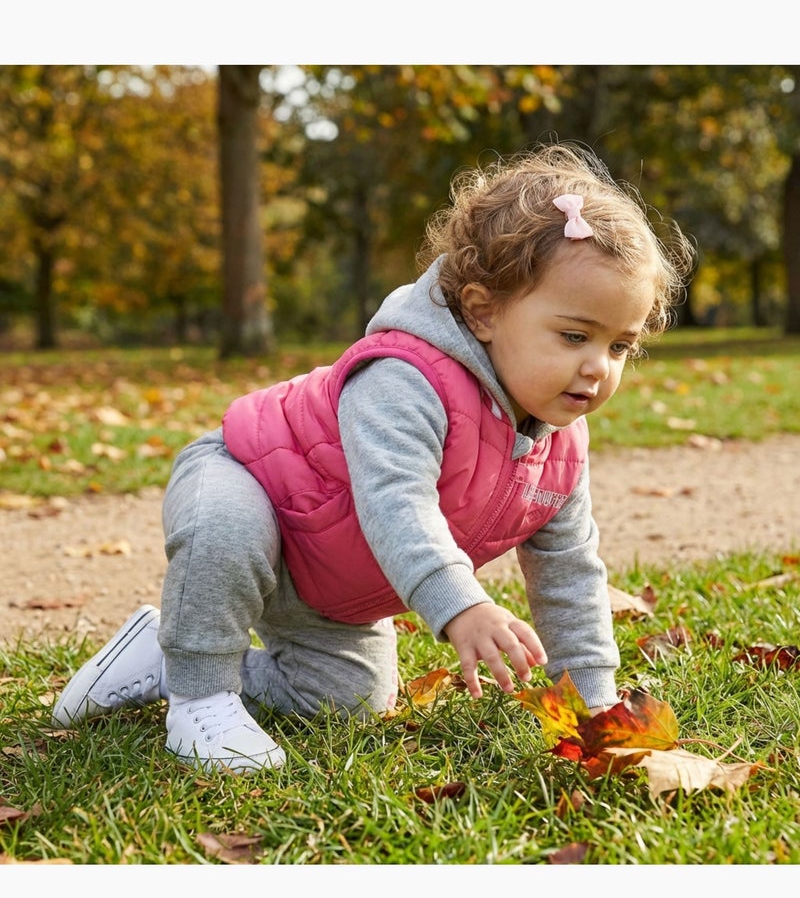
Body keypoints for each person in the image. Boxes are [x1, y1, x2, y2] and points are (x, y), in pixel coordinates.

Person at [52, 141, 694, 774]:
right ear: (484, 311)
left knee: (347, 700)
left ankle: (163, 655)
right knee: (228, 529)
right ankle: (200, 698)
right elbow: (396, 501)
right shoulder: (406, 377)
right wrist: (461, 604)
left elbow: (570, 572)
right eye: (575, 336)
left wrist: (595, 701)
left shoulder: (557, 448)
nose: (596, 368)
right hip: (249, 480)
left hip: (324, 579)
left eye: (619, 347)